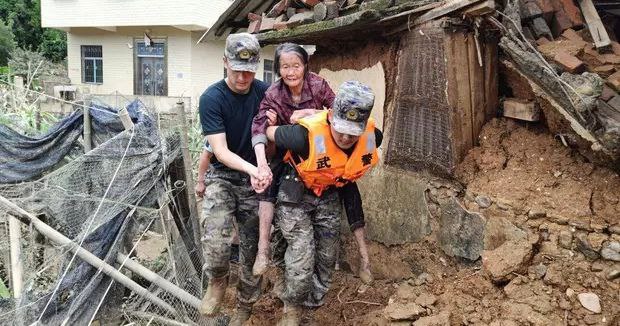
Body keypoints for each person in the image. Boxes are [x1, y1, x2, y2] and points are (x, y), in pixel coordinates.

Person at [251, 43, 375, 285]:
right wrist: (261, 163)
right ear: (278, 69)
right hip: (289, 152)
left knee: (348, 185)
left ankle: (364, 258)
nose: (291, 72)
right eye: (285, 67)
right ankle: (262, 250)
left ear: (305, 66)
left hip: (323, 150)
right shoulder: (273, 94)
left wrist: (308, 114)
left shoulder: (318, 84)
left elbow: (337, 110)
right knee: (267, 186)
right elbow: (259, 127)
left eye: (296, 65)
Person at [262, 81, 382, 325]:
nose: (346, 137)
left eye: (353, 132)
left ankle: (310, 308)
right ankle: (291, 310)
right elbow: (269, 132)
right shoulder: (303, 136)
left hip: (327, 194)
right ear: (331, 118)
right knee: (303, 255)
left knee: (327, 259)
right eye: (341, 130)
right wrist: (280, 121)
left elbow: (350, 187)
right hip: (294, 191)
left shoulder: (372, 138)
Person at [197, 32, 270, 325]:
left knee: (252, 247)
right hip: (224, 175)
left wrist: (263, 170)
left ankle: (245, 305)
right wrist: (254, 170)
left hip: (255, 180)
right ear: (225, 62)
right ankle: (217, 281)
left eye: (249, 70)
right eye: (237, 70)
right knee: (215, 237)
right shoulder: (212, 98)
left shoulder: (265, 93)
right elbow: (220, 151)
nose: (243, 77)